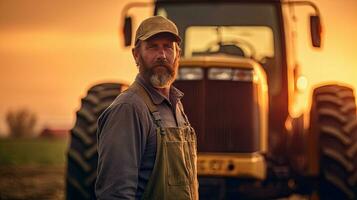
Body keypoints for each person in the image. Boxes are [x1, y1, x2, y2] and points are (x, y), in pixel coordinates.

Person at [95, 16, 198, 200]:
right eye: (152, 47)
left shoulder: (176, 105)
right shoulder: (128, 109)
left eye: (168, 46)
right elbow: (115, 194)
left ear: (178, 54)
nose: (162, 55)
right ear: (136, 54)